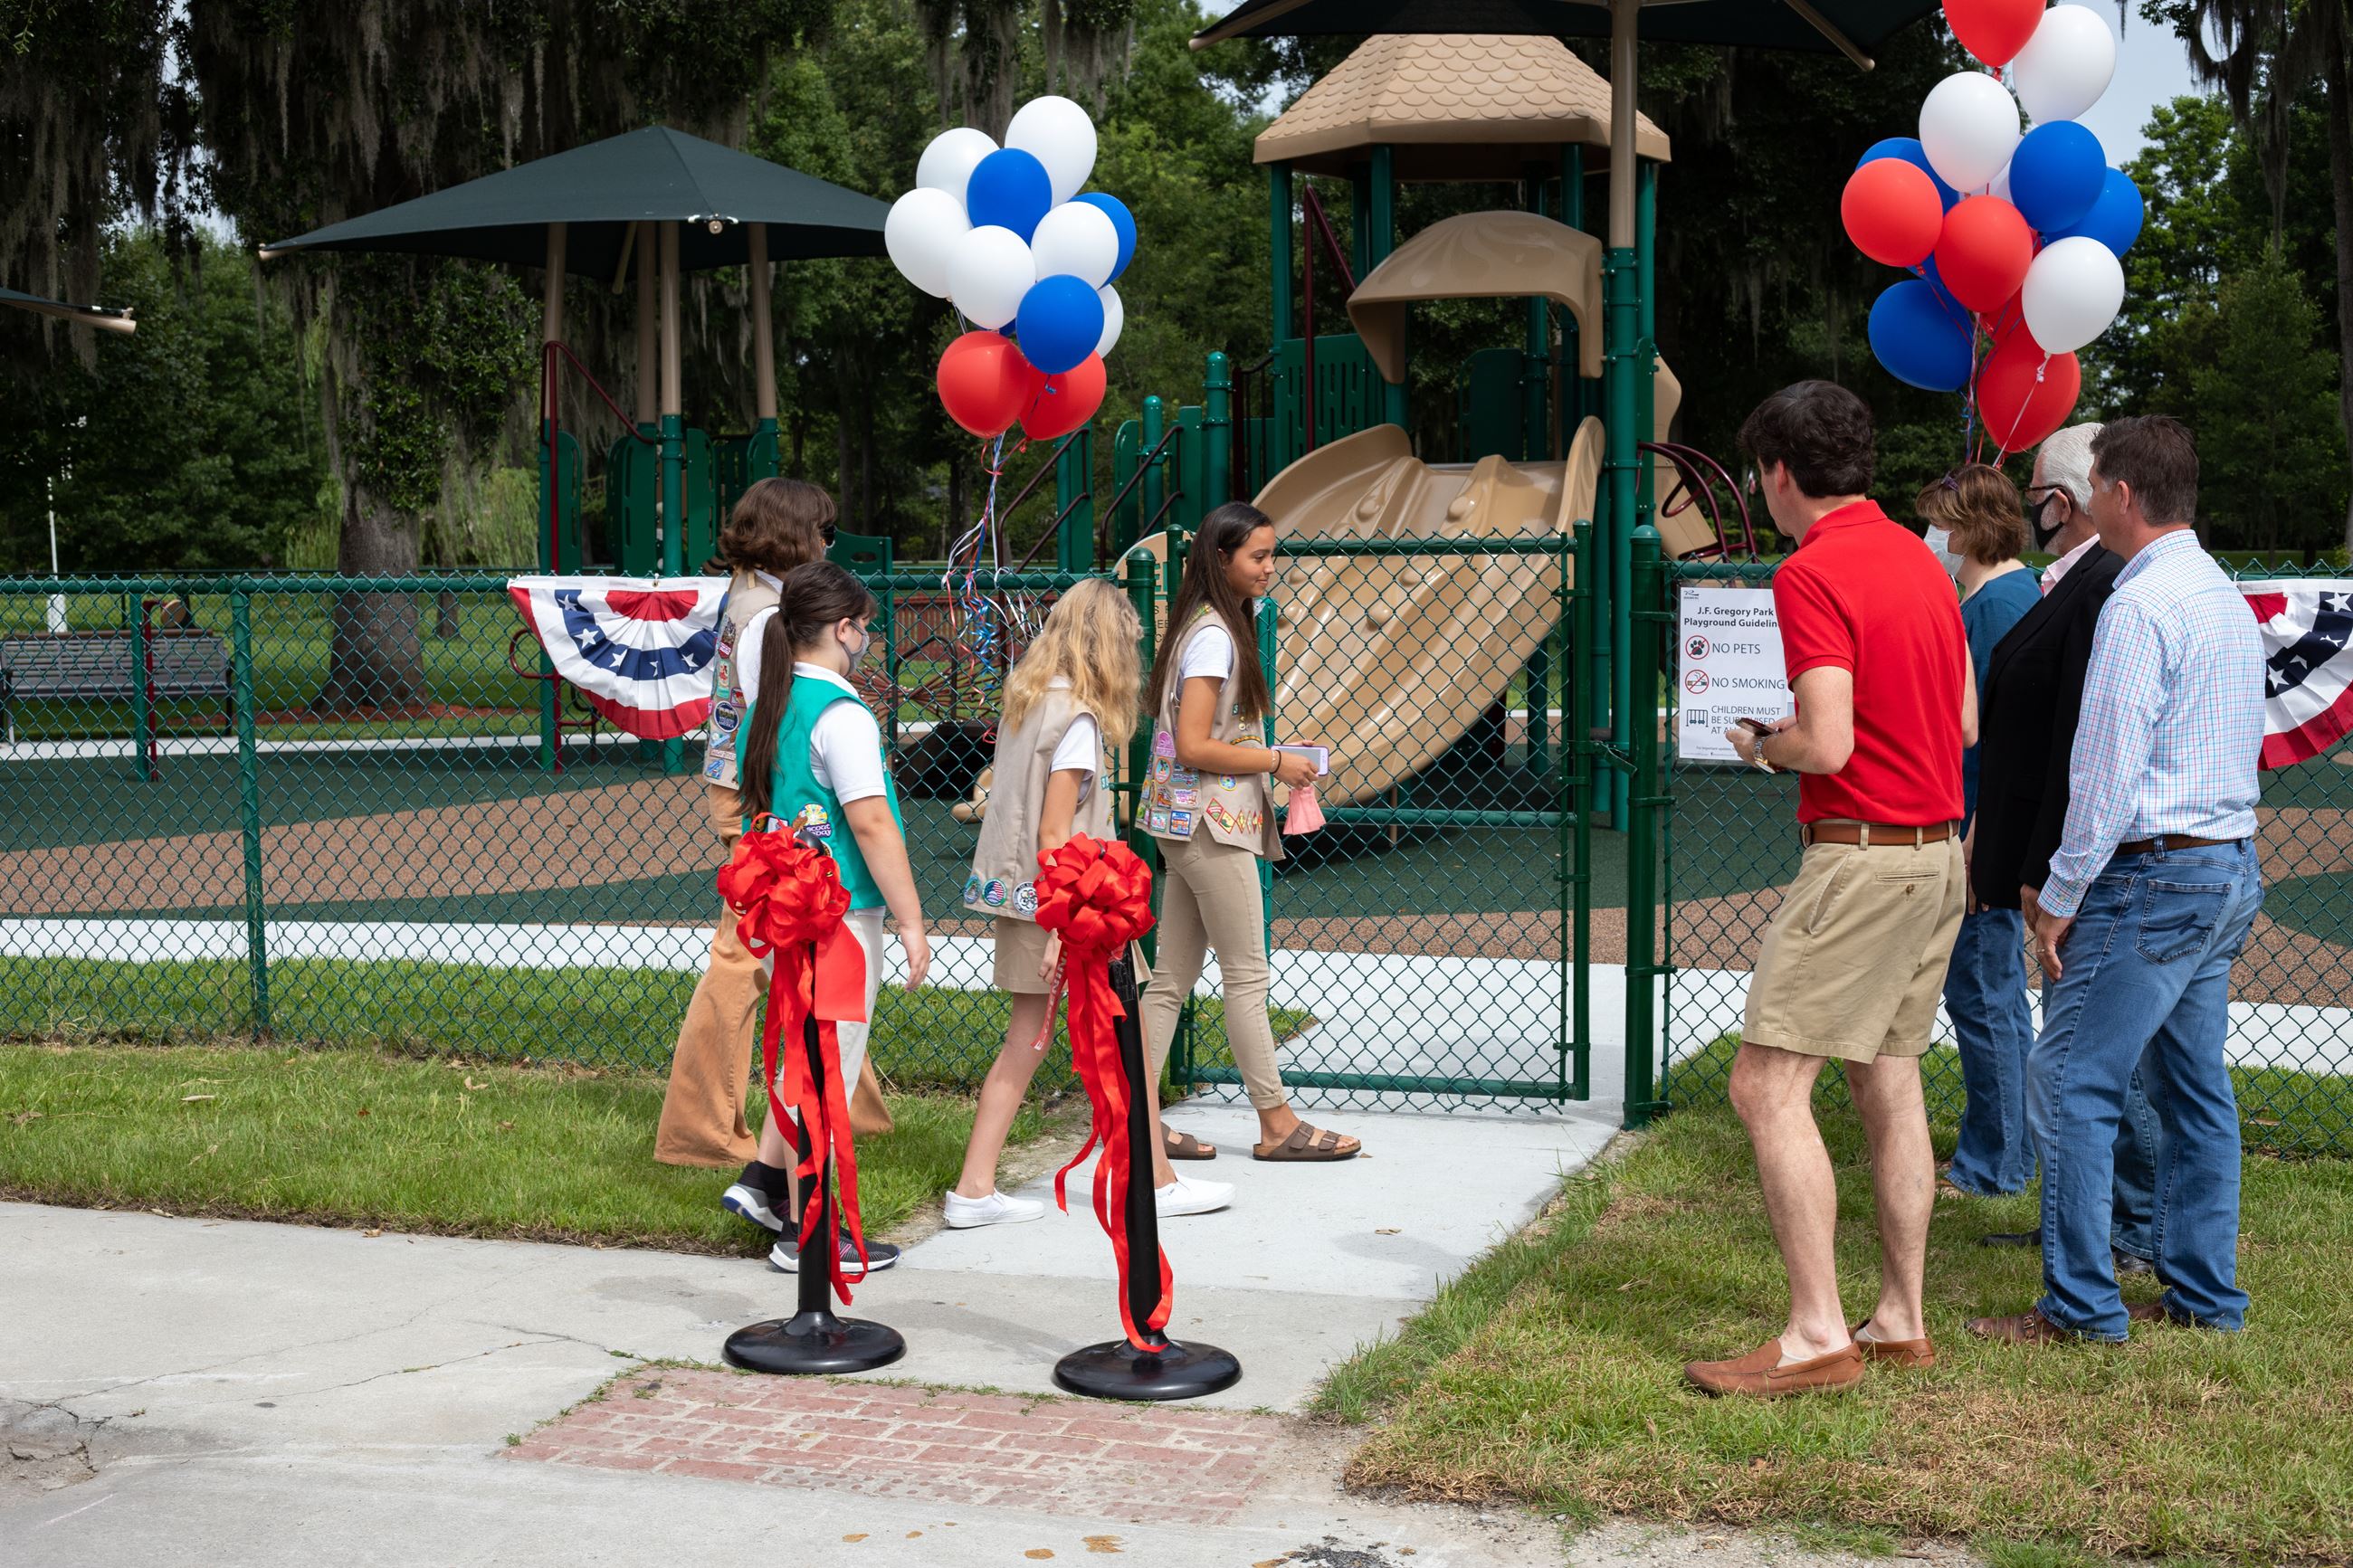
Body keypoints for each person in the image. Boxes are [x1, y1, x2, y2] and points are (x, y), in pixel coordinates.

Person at [1686, 381, 1976, 1397]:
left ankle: (1815, 1333)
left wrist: (1766, 745)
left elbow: (1830, 739)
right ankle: (1897, 1316)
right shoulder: (1919, 557)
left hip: (1859, 852)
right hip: (1939, 852)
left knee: (1764, 1084)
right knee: (1886, 1075)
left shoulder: (1809, 571)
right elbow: (1964, 722)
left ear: (1775, 471)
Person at [1969, 415, 2266, 1345]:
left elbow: (2101, 775)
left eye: (2092, 486)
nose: (2083, 501)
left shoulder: (2136, 607)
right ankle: (2201, 1295)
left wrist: (2056, 893)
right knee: (2191, 1087)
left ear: (2122, 496)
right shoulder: (2217, 593)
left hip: (2147, 877)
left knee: (2065, 1079)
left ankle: (2080, 1304)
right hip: (2221, 867)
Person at [1968, 423, 2161, 1268]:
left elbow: (2079, 748)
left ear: (2063, 501)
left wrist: (2052, 875)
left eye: (2040, 495)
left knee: (2095, 1063)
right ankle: (2108, 1221)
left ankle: (2129, 1226)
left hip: (2072, 866)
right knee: (2084, 1053)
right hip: (2045, 857)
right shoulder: (2070, 585)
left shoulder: (2105, 592)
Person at [945, 581, 1189, 1224]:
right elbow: (1056, 830)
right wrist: (1064, 923)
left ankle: (976, 1187)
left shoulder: (1029, 703)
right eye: (1131, 643)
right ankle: (1155, 1181)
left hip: (1029, 898)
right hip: (1072, 908)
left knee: (1038, 1038)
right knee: (1118, 1032)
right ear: (1109, 647)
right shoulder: (1079, 721)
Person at [1138, 501, 1357, 1191]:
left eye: (1271, 554)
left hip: (1185, 823)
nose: (1270, 567)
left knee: (1169, 981)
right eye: (1259, 556)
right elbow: (1199, 744)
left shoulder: (1205, 625)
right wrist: (1274, 761)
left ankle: (1133, 1119)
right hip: (1213, 825)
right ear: (1222, 558)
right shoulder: (1213, 637)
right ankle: (1277, 1123)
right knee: (1247, 976)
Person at [726, 560, 931, 1274]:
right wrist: (910, 918)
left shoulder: (772, 703)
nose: (867, 637)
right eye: (865, 626)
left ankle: (764, 1184)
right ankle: (807, 1234)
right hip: (841, 916)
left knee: (806, 1059)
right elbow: (872, 821)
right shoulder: (841, 713)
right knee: (828, 1072)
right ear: (842, 629)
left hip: (795, 912)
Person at [658, 479, 835, 1173]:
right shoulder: (767, 614)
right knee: (744, 961)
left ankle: (852, 1105)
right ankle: (700, 1127)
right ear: (793, 534)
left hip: (744, 788)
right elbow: (776, 719)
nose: (827, 541)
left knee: (807, 948)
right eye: (821, 529)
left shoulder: (751, 597)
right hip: (760, 796)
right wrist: (780, 815)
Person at [1920, 465, 2042, 1200]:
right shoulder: (2001, 597)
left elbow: (1998, 737)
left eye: (1941, 522)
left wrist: (1978, 837)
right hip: (1975, 821)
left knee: (1983, 991)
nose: (1935, 535)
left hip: (1978, 827)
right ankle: (1998, 1146)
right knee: (1984, 989)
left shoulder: (1997, 606)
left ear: (1966, 528)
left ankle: (1997, 1160)